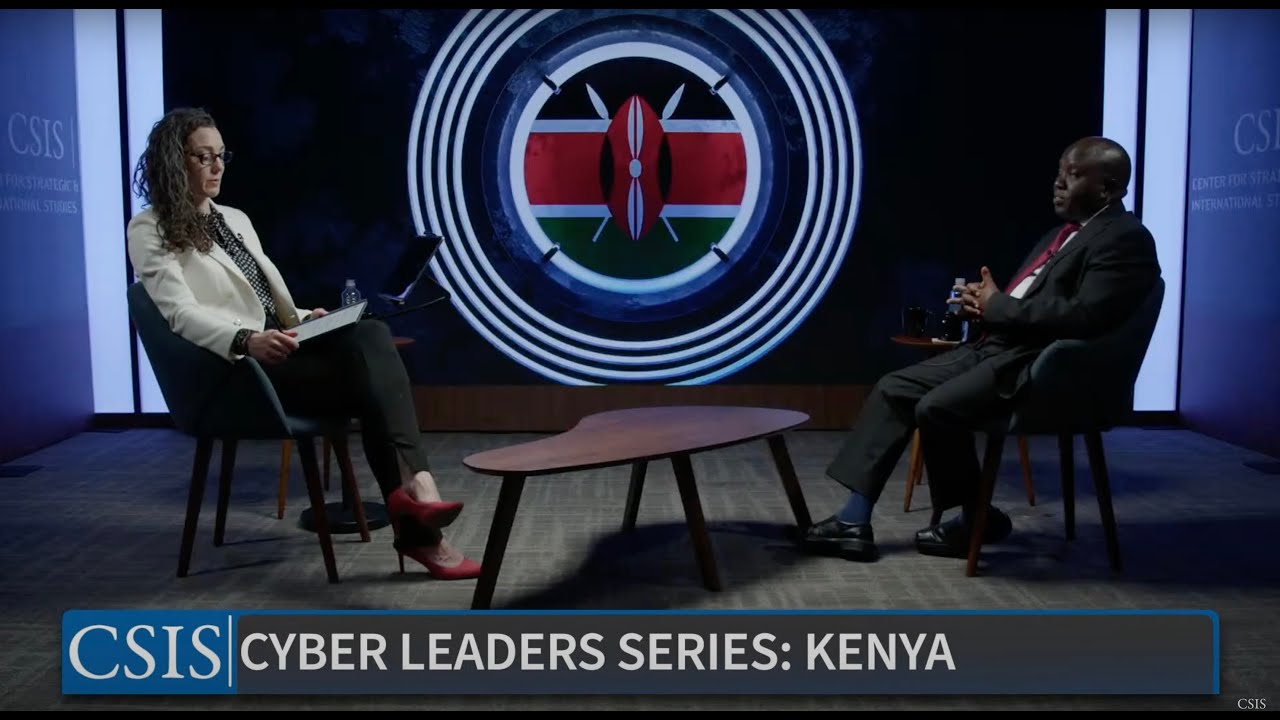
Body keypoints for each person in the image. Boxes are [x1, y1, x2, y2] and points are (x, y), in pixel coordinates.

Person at [127, 107, 481, 580]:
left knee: (369, 333)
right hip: (240, 371)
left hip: (284, 348)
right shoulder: (149, 228)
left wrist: (302, 319)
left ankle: (418, 500)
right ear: (175, 162)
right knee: (372, 381)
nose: (217, 166)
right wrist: (246, 340)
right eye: (203, 156)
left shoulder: (234, 218)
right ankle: (421, 511)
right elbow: (180, 313)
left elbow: (260, 300)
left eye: (222, 155)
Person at [801, 136, 1162, 561]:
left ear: (1109, 188)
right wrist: (984, 306)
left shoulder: (1126, 239)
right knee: (893, 388)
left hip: (1037, 366)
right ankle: (853, 521)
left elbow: (1085, 316)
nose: (1059, 183)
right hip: (999, 349)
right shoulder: (1062, 235)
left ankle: (975, 518)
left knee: (936, 407)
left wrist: (999, 307)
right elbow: (1031, 302)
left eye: (1074, 174)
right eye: (1060, 172)